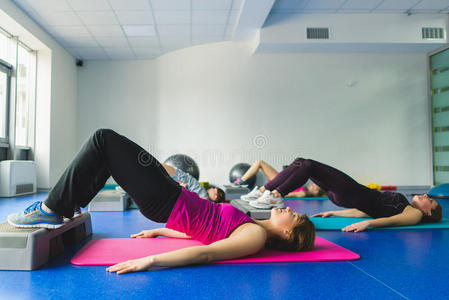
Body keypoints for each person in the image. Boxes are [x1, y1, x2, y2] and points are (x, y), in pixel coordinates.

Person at [7, 129, 315, 274]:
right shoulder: (251, 226)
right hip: (170, 196)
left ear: (289, 233)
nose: (288, 208)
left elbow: (206, 254)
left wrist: (151, 260)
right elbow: (205, 230)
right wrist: (161, 233)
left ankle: (51, 210)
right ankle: (67, 204)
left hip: (166, 200)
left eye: (294, 216)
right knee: (109, 156)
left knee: (104, 140)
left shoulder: (255, 236)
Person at [246, 157, 442, 232]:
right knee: (301, 163)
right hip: (349, 197)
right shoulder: (401, 206)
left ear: (427, 214)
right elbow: (365, 212)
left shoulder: (414, 214)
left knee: (308, 166)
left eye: (430, 201)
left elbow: (391, 222)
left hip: (352, 192)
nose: (426, 196)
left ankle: (275, 195)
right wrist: (333, 214)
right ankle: (264, 191)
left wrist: (369, 224)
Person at [235, 160, 325, 198]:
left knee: (260, 163)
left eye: (314, 186)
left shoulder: (303, 193)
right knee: (260, 163)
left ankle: (241, 181)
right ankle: (242, 181)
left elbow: (287, 195)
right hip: (281, 180)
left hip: (280, 183)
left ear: (316, 192)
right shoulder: (303, 187)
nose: (311, 185)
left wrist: (271, 194)